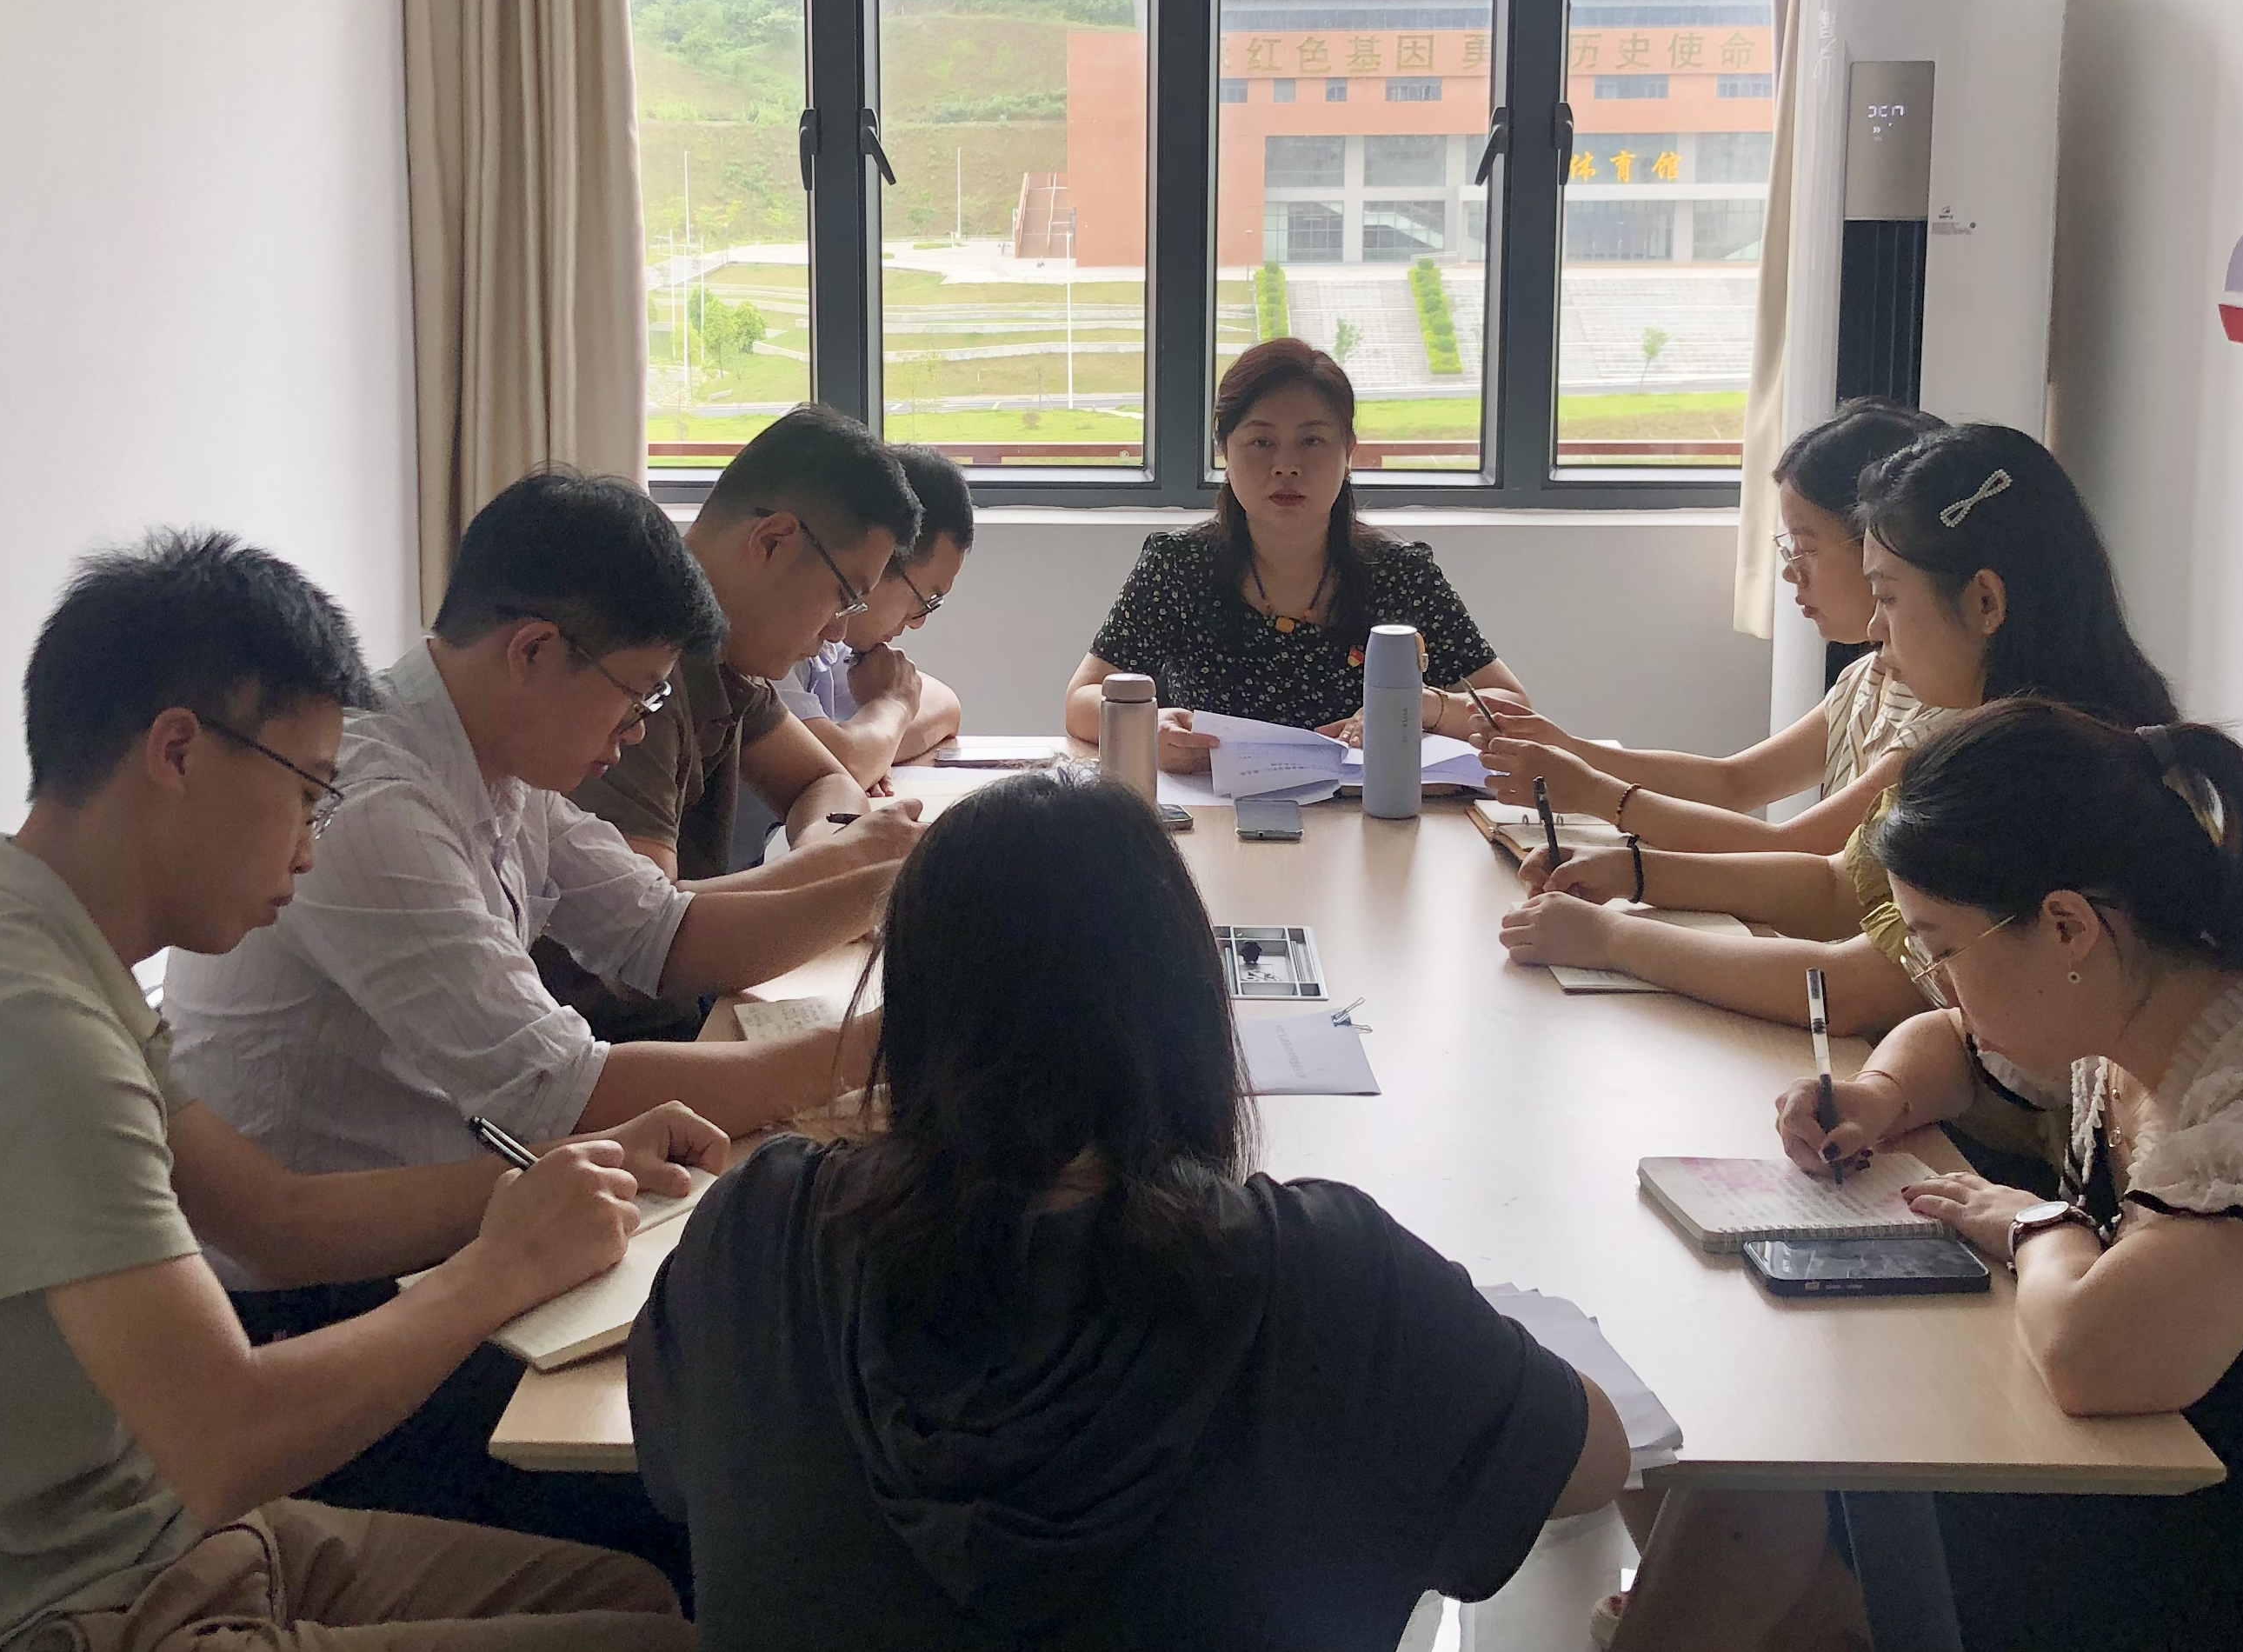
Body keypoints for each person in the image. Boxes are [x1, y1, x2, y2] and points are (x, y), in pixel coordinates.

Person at [0, 530, 709, 1652]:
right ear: (178, 752)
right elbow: (223, 1439)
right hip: (68, 1611)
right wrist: (502, 1266)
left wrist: (566, 1180)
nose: (311, 849)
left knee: (642, 1594)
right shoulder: (15, 1024)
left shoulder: (52, 951)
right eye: (310, 794)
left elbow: (277, 1219)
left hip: (175, 1538)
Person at [629, 771, 1631, 1650]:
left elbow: (675, 1470)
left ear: (912, 1014)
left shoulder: (761, 1229)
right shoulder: (1329, 1273)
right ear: (1189, 1012)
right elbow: (1589, 1465)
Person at [161, 471, 913, 1559]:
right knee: (731, 1473)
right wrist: (882, 1048)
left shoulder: (494, 768)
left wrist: (895, 882)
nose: (639, 730)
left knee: (762, 1370)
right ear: (533, 652)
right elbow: (569, 1094)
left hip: (444, 1234)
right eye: (638, 695)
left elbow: (666, 934)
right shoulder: (376, 807)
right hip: (329, 1313)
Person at [1750, 701, 2243, 1651]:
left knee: (1824, 1498)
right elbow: (1954, 1042)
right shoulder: (2139, 999)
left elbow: (2094, 1357)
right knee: (1796, 1474)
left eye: (1944, 948)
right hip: (2190, 1487)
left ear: (2067, 927)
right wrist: (1879, 1094)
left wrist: (2040, 1225)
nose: (1939, 979)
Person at [1499, 425, 2180, 1036]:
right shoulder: (1984, 741)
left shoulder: (2033, 775)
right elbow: (1835, 888)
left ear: (1984, 601)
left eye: (1888, 596)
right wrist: (1634, 872)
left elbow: (1851, 989)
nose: (1875, 629)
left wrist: (1612, 940)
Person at [547, 405, 930, 1043]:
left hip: (682, 1018)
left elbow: (822, 781)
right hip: (616, 1041)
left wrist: (831, 851)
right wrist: (848, 868)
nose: (840, 632)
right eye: (844, 596)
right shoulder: (637, 670)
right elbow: (644, 948)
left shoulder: (725, 657)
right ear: (772, 540)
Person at [1483, 396, 1942, 854]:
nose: (1791, 571)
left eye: (1806, 547)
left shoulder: (1945, 719)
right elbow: (1733, 782)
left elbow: (1798, 853)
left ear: (1880, 546)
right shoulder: (1867, 677)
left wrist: (1594, 794)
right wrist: (1569, 749)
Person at [1066, 339, 1526, 770]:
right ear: (1225, 451)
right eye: (1261, 442)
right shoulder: (1177, 567)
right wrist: (1149, 726)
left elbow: (1513, 710)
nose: (1286, 466)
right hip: (1214, 810)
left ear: (1348, 453)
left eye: (1312, 441)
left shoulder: (1401, 574)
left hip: (1366, 812)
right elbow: (1082, 700)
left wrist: (1422, 706)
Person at [774, 442, 976, 792]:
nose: (918, 621)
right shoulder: (768, 641)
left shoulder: (832, 642)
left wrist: (875, 747)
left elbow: (944, 705)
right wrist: (889, 712)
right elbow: (839, 767)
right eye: (926, 599)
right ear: (878, 563)